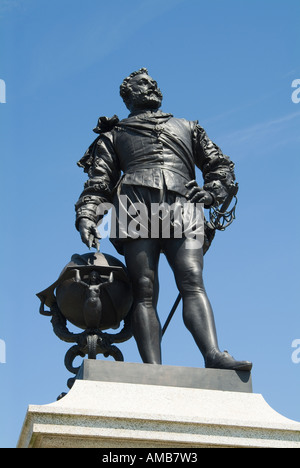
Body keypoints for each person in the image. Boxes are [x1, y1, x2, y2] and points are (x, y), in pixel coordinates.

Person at [75, 68, 252, 370]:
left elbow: (220, 165)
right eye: (143, 84)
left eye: (153, 82)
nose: (152, 86)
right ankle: (153, 368)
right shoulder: (113, 136)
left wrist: (212, 192)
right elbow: (99, 182)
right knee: (144, 287)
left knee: (192, 280)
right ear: (128, 94)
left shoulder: (188, 127)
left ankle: (212, 354)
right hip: (136, 207)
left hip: (184, 206)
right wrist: (88, 213)